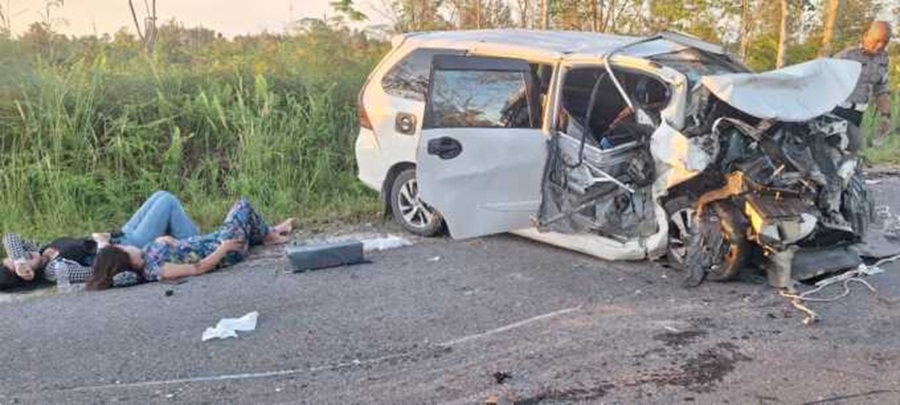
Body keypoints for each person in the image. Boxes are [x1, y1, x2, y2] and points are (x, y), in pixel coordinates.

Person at [1, 190, 201, 290]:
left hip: (121, 234)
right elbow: (100, 273)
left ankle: (190, 243)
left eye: (17, 254)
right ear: (27, 274)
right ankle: (196, 247)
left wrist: (18, 260)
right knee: (167, 201)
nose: (22, 255)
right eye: (20, 261)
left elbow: (10, 237)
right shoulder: (54, 270)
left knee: (161, 194)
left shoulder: (42, 251)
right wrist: (103, 244)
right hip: (129, 248)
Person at [87, 198, 294, 290]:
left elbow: (162, 247)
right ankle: (270, 235)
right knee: (242, 206)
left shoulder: (145, 254)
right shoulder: (158, 269)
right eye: (123, 248)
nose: (127, 245)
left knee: (240, 217)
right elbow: (198, 268)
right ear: (127, 259)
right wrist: (224, 248)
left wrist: (164, 240)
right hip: (220, 249)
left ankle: (270, 231)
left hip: (211, 240)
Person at [833, 21, 893, 153]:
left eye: (885, 42)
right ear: (865, 35)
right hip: (837, 111)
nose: (880, 46)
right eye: (877, 40)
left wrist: (885, 116)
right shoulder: (846, 56)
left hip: (858, 113)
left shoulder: (883, 59)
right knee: (847, 146)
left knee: (851, 150)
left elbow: (881, 88)